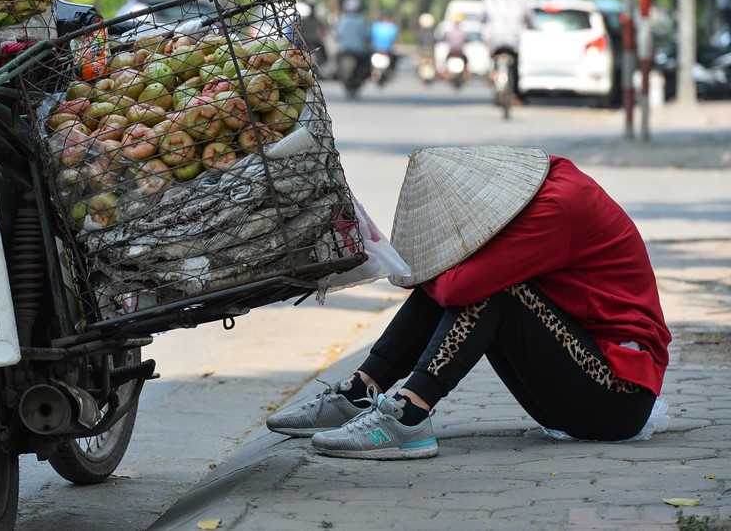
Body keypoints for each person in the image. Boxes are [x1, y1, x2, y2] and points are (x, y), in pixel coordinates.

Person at [267, 146, 670, 460]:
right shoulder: (536, 189)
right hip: (581, 382)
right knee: (462, 275)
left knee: (488, 286)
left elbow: (455, 291)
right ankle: (360, 391)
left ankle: (409, 414)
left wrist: (438, 266)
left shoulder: (555, 206)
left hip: (616, 397)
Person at [481, 0, 532, 96]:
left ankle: (493, 73)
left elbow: (483, 16)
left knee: (493, 59)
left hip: (494, 41)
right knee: (515, 66)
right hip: (513, 42)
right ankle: (515, 94)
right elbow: (529, 18)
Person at [334, 0, 369, 87]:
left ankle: (336, 71)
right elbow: (367, 36)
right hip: (358, 50)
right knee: (366, 64)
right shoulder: (362, 20)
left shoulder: (342, 20)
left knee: (336, 60)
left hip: (344, 49)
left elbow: (337, 35)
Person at [443, 12, 469, 79]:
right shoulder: (463, 32)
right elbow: (466, 40)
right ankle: (465, 72)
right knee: (466, 60)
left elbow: (446, 39)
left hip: (452, 52)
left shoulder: (449, 31)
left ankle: (446, 72)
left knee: (445, 60)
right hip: (459, 52)